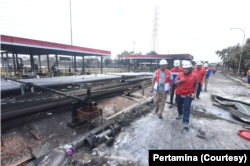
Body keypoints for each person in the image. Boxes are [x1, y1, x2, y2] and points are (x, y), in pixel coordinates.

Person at [174, 61, 198, 129]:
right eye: (184, 68)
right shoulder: (179, 74)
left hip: (188, 94)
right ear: (182, 68)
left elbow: (196, 84)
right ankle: (180, 113)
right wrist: (180, 81)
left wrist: (194, 93)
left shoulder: (194, 75)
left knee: (187, 107)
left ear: (190, 68)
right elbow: (175, 82)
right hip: (179, 93)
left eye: (187, 68)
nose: (186, 70)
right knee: (179, 105)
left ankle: (186, 122)